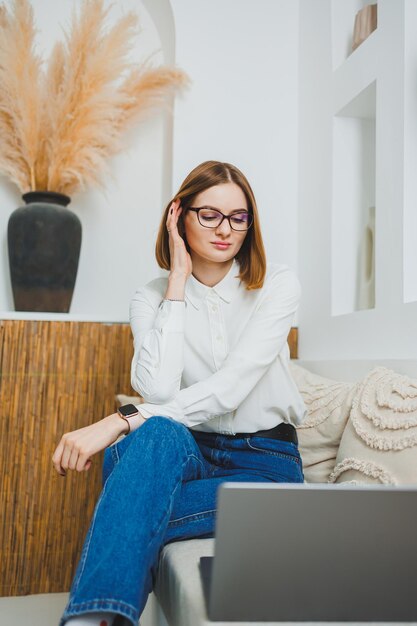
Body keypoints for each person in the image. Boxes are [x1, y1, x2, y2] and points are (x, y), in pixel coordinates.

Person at [52, 160, 307, 626]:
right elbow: (159, 387)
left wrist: (121, 419)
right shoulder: (150, 297)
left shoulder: (277, 285)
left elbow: (230, 389)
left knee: (127, 483)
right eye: (209, 214)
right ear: (178, 216)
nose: (226, 229)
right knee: (157, 437)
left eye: (239, 217)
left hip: (265, 464)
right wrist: (176, 283)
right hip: (189, 452)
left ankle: (92, 618)